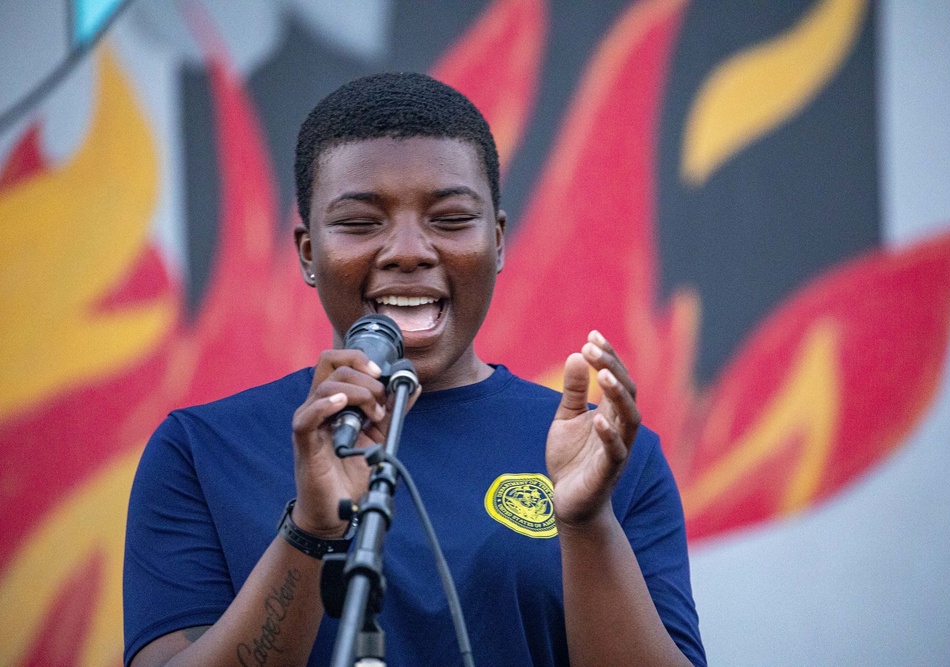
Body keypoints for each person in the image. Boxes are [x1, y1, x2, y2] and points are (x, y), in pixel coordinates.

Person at [123, 72, 705, 667]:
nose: (408, 250)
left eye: (450, 219)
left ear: (497, 242)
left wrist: (587, 526)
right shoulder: (200, 451)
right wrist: (309, 533)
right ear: (307, 253)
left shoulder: (606, 456)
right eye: (359, 223)